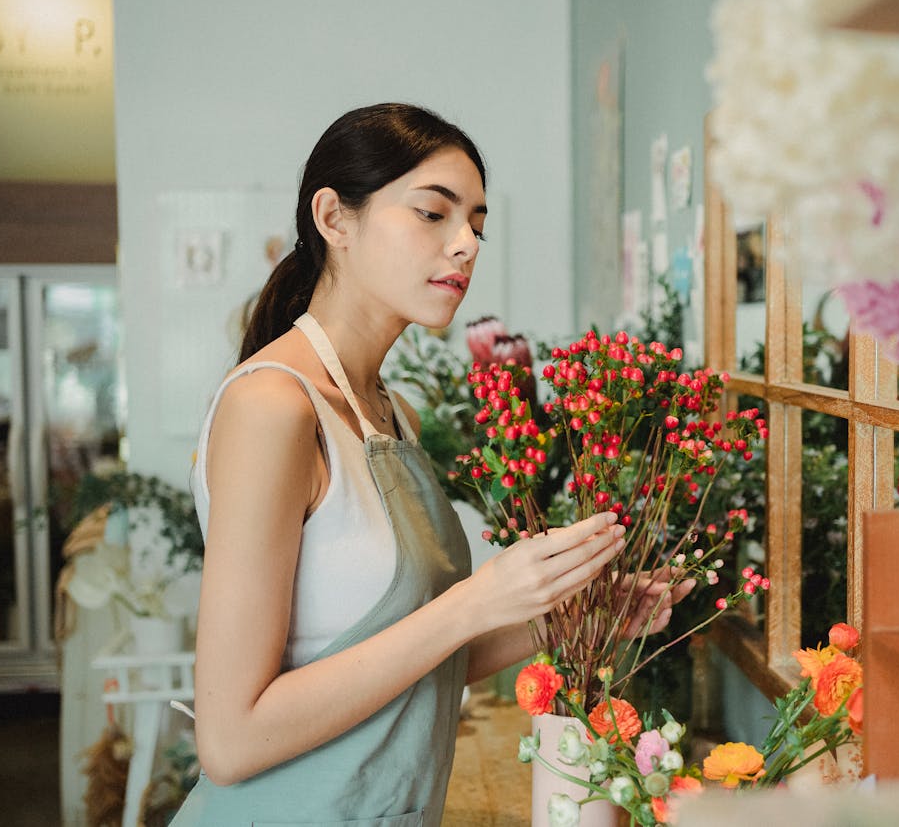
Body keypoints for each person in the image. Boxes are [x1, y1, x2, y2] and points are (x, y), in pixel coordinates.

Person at [171, 103, 690, 825]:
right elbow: (230, 740)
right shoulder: (273, 408)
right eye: (432, 214)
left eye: (477, 223)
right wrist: (474, 601)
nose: (466, 244)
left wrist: (574, 617)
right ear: (334, 217)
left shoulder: (390, 412)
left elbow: (417, 662)